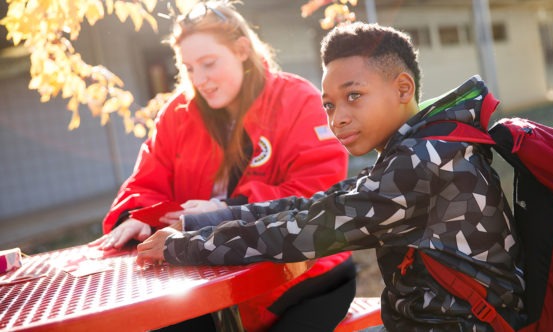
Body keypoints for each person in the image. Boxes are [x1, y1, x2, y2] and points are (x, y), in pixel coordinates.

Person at [137, 22, 527, 331]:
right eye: (328, 104)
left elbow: (302, 230)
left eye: (353, 96)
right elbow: (313, 205)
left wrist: (182, 247)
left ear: (403, 88)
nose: (336, 118)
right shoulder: (418, 149)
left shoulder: (425, 160)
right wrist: (198, 221)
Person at [90, 1, 357, 331]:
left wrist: (222, 209)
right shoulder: (178, 113)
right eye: (188, 68)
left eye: (208, 63)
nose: (199, 79)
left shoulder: (299, 101)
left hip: (300, 275)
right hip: (199, 276)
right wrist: (137, 218)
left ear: (242, 50)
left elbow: (315, 197)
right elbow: (145, 181)